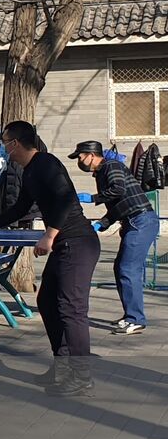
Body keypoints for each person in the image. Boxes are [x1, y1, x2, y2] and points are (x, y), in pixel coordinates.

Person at [0, 121, 100, 396]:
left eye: (6, 143)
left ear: (15, 143)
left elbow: (66, 199)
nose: (4, 149)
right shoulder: (30, 170)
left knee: (71, 309)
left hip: (79, 243)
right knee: (46, 301)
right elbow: (20, 207)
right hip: (66, 243)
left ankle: (82, 376)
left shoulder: (46, 163)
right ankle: (63, 366)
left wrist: (49, 235)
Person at [71, 140, 155, 335]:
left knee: (128, 269)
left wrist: (92, 198)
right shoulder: (103, 172)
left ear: (91, 155)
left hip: (141, 221)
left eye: (80, 156)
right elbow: (118, 204)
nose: (79, 160)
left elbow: (118, 189)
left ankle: (136, 319)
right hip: (133, 221)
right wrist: (102, 223)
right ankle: (130, 316)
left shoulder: (111, 166)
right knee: (121, 268)